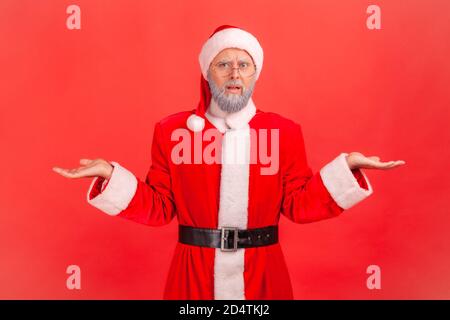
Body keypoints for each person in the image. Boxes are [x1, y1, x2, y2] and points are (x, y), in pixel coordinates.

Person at [53, 25, 405, 300]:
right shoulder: (172, 130)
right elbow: (159, 207)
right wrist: (110, 176)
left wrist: (348, 168)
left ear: (255, 73)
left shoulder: (283, 131)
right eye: (224, 64)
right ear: (208, 73)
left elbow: (299, 204)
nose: (235, 74)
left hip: (264, 273)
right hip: (193, 274)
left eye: (244, 65)